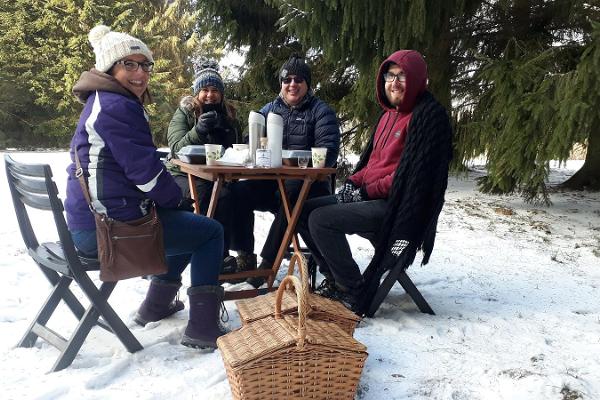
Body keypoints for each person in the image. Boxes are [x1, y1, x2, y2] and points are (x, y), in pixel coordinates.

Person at [64, 25, 227, 349]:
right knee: (210, 232)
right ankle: (203, 329)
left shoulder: (103, 101)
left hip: (90, 222)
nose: (140, 73)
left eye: (144, 65)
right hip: (105, 231)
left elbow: (134, 166)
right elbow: (145, 174)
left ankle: (157, 304)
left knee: (185, 225)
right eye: (130, 64)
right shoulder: (117, 107)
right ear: (110, 67)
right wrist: (174, 197)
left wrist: (169, 202)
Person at [298, 50, 453, 313]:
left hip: (397, 208)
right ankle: (335, 277)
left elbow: (409, 179)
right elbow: (371, 165)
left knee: (321, 219)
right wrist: (353, 183)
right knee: (302, 210)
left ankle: (351, 287)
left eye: (402, 76)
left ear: (416, 79)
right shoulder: (387, 116)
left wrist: (365, 192)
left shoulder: (428, 118)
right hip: (372, 197)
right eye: (390, 76)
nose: (394, 82)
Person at [228, 55, 340, 287]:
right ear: (281, 83)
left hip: (311, 187)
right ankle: (245, 255)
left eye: (298, 79)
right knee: (237, 191)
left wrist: (294, 160)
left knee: (290, 199)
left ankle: (267, 266)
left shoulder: (321, 111)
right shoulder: (270, 108)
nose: (292, 84)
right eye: (286, 79)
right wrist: (257, 141)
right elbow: (252, 138)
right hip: (273, 184)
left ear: (307, 84)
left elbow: (327, 154)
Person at [165, 60, 241, 273]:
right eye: (205, 90)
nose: (210, 95)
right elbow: (176, 148)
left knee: (233, 195)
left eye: (215, 90)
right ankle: (203, 253)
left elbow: (235, 149)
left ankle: (224, 254)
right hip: (182, 173)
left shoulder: (230, 116)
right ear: (197, 92)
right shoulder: (185, 113)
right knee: (206, 194)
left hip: (218, 175)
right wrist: (198, 131)